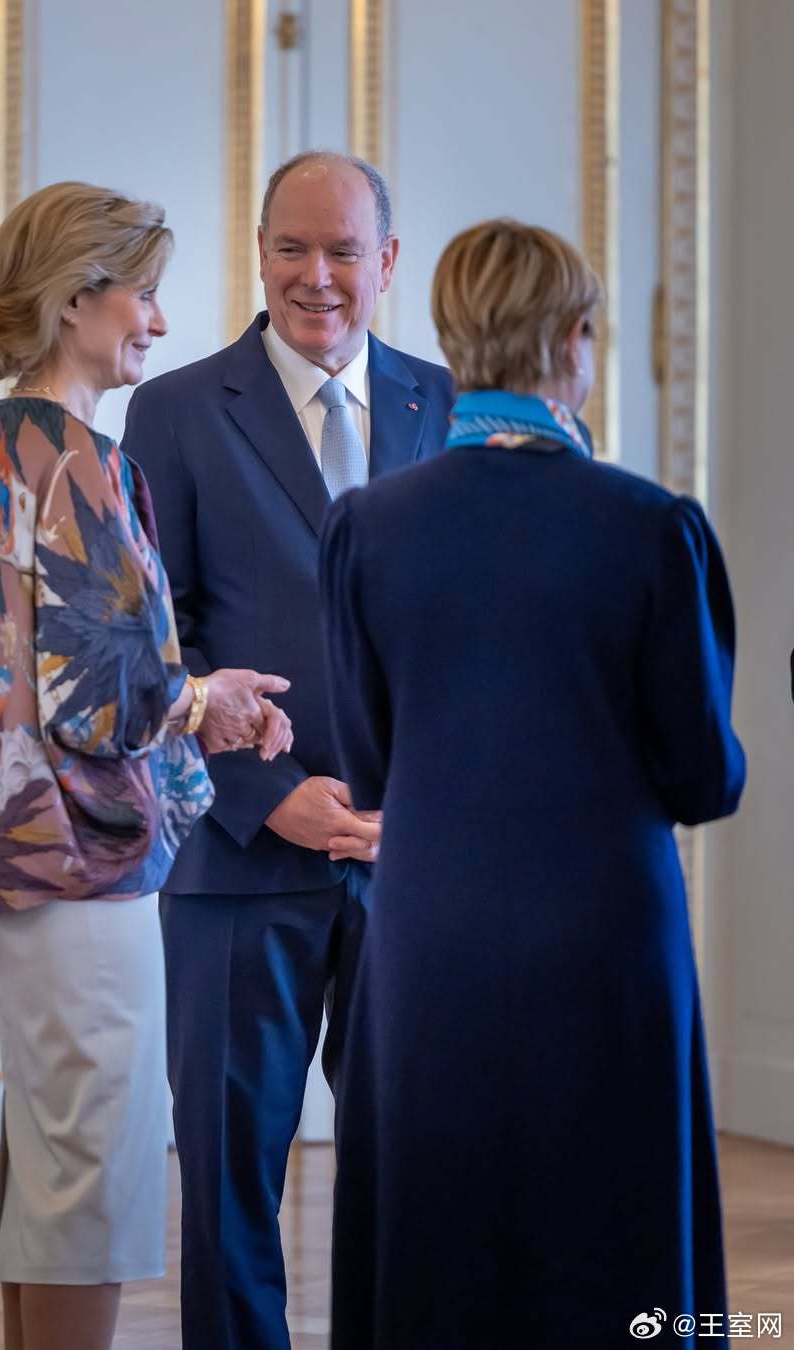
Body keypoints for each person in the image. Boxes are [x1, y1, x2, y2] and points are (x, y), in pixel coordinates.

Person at [0, 181, 294, 1350]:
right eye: (142, 294)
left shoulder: (9, 444)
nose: (159, 319)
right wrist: (208, 699)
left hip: (23, 855)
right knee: (91, 1169)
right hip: (77, 858)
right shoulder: (76, 460)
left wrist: (193, 701)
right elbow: (99, 691)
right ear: (73, 300)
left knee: (56, 1159)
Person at [320, 218, 746, 1350]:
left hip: (431, 932)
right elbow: (703, 779)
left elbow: (370, 764)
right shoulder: (653, 528)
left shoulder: (367, 528)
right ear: (572, 340)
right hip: (607, 936)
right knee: (619, 1232)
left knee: (435, 1224)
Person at [121, 151, 453, 1350]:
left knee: (413, 1174)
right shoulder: (173, 411)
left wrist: (425, 803)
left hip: (409, 860)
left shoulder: (444, 404)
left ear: (387, 261)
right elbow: (153, 642)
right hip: (235, 863)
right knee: (227, 1184)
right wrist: (269, 795)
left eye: (343, 251)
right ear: (259, 253)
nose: (316, 277)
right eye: (290, 249)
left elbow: (469, 628)